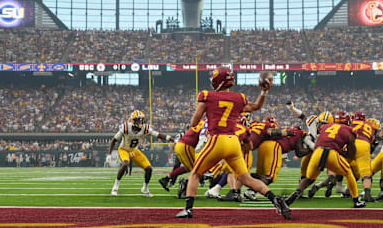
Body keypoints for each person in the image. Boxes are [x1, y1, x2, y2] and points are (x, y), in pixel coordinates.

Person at [175, 67, 291, 219]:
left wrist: (208, 113)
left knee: (195, 173)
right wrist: (264, 92)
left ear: (219, 80)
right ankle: (274, 198)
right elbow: (256, 107)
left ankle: (188, 210)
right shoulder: (239, 98)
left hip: (217, 140)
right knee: (246, 179)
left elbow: (194, 122)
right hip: (233, 143)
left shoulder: (207, 96)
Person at [285, 111, 366, 208]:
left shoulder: (325, 127)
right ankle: (356, 201)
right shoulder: (349, 130)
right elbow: (351, 154)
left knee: (309, 179)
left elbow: (319, 141)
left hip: (317, 152)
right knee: (348, 173)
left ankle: (293, 196)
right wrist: (344, 153)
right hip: (331, 154)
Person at [108, 110, 174, 197]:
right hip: (123, 149)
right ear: (133, 120)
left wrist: (171, 138)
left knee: (149, 169)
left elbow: (158, 135)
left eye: (141, 120)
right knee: (125, 164)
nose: (140, 122)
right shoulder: (126, 127)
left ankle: (145, 189)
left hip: (134, 150)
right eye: (137, 120)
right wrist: (109, 154)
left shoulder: (145, 129)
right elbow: (114, 140)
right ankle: (115, 187)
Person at [158, 120, 206, 193]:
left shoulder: (202, 121)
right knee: (197, 169)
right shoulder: (209, 123)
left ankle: (166, 179)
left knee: (187, 168)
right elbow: (204, 139)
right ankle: (184, 186)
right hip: (187, 146)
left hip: (181, 145)